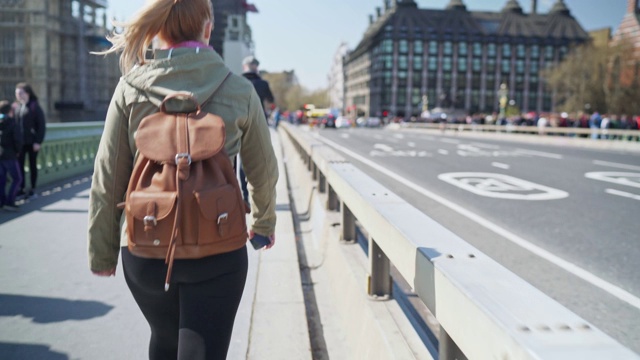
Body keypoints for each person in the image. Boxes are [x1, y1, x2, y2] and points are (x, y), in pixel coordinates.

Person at [87, 1, 278, 359]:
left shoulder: (130, 88)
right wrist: (263, 223)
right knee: (202, 347)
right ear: (207, 28)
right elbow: (263, 169)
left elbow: (108, 176)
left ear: (158, 30)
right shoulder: (239, 90)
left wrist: (103, 250)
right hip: (219, 244)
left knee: (163, 339)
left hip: (145, 246)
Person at [239, 55, 274, 208]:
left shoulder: (237, 81)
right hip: (259, 125)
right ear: (256, 67)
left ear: (243, 67)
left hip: (240, 122)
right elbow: (271, 101)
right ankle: (259, 199)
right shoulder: (263, 83)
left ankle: (244, 195)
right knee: (260, 161)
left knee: (242, 162)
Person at [15, 82, 46, 199]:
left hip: (32, 143)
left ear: (27, 93)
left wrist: (38, 141)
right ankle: (22, 189)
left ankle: (32, 189)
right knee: (20, 165)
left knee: (33, 165)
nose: (18, 96)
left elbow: (41, 126)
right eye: (17, 94)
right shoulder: (18, 108)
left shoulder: (34, 107)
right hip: (21, 143)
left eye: (20, 93)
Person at [0, 100, 23, 211]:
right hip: (10, 155)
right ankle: (10, 201)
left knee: (2, 179)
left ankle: (1, 201)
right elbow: (18, 140)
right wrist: (18, 151)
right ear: (10, 111)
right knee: (17, 178)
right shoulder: (13, 123)